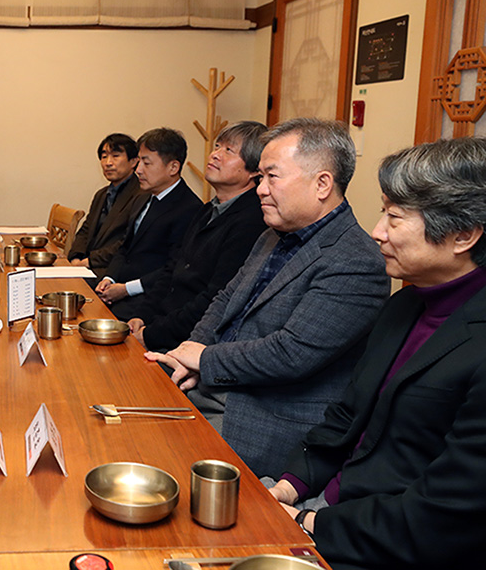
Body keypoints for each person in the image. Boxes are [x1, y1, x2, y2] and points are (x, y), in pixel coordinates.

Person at [267, 137, 486, 570]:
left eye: (395, 217)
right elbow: (348, 415)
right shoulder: (405, 303)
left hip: (385, 540)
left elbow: (443, 512)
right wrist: (290, 485)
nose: (377, 231)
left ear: (463, 235)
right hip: (328, 504)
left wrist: (310, 522)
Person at [148, 118, 389, 477]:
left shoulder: (355, 260)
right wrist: (188, 353)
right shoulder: (273, 234)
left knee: (150, 461)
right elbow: (224, 301)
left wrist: (206, 358)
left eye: (271, 177)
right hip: (212, 387)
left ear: (322, 183)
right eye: (259, 177)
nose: (260, 189)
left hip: (262, 416)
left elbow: (291, 353)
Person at [123, 121, 269, 346]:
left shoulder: (252, 222)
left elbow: (213, 301)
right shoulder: (208, 209)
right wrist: (142, 316)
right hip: (163, 324)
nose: (215, 155)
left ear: (254, 170)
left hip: (191, 340)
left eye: (229, 150)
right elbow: (171, 270)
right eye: (217, 146)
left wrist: (151, 335)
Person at [95, 128, 201, 312]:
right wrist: (109, 279)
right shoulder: (142, 196)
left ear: (173, 168)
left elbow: (173, 267)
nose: (138, 170)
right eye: (139, 162)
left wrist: (126, 289)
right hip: (118, 289)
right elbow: (125, 247)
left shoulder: (190, 208)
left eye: (147, 163)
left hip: (149, 300)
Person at [68, 133, 144, 279]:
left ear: (134, 162)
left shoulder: (141, 195)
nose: (108, 163)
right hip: (87, 265)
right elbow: (85, 230)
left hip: (113, 271)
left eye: (115, 156)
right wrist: (76, 258)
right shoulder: (101, 194)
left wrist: (90, 261)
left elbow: (127, 242)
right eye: (104, 157)